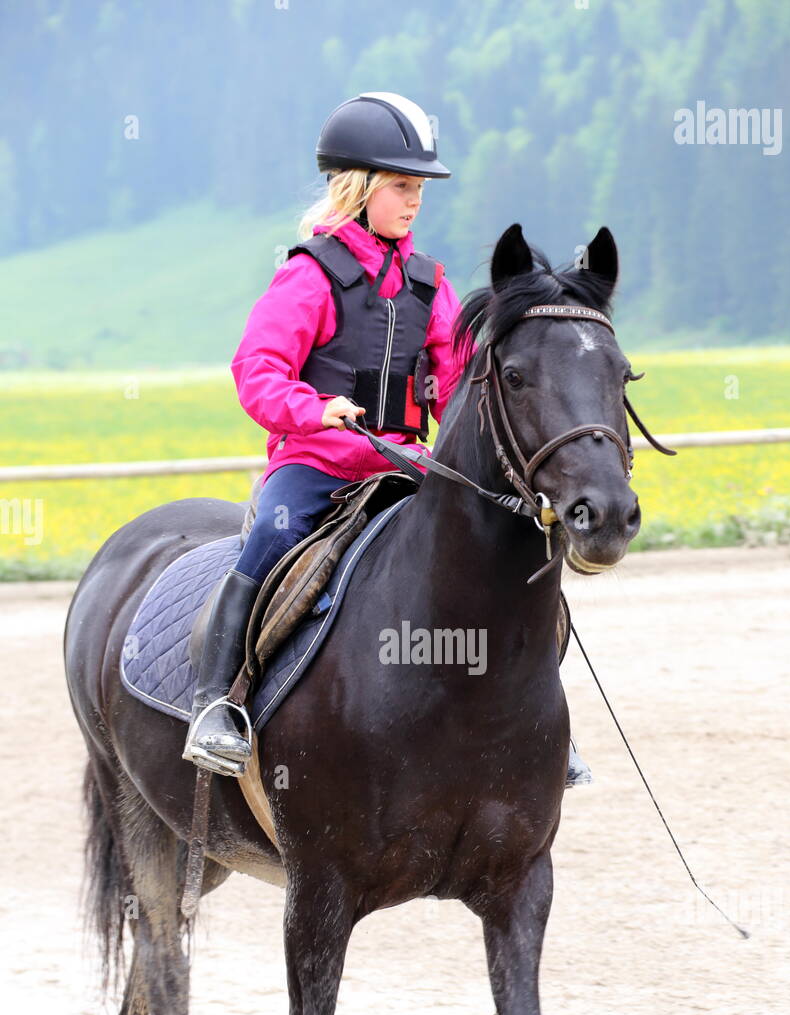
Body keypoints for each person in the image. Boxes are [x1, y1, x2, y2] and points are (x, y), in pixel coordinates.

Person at [182, 90, 591, 788]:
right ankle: (215, 704)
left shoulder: (430, 285)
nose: (414, 201)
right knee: (271, 537)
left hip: (408, 464)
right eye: (402, 187)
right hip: (316, 465)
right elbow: (256, 372)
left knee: (502, 552)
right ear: (360, 187)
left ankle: (540, 721)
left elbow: (460, 379)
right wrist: (315, 412)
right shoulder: (308, 276)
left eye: (419, 189)